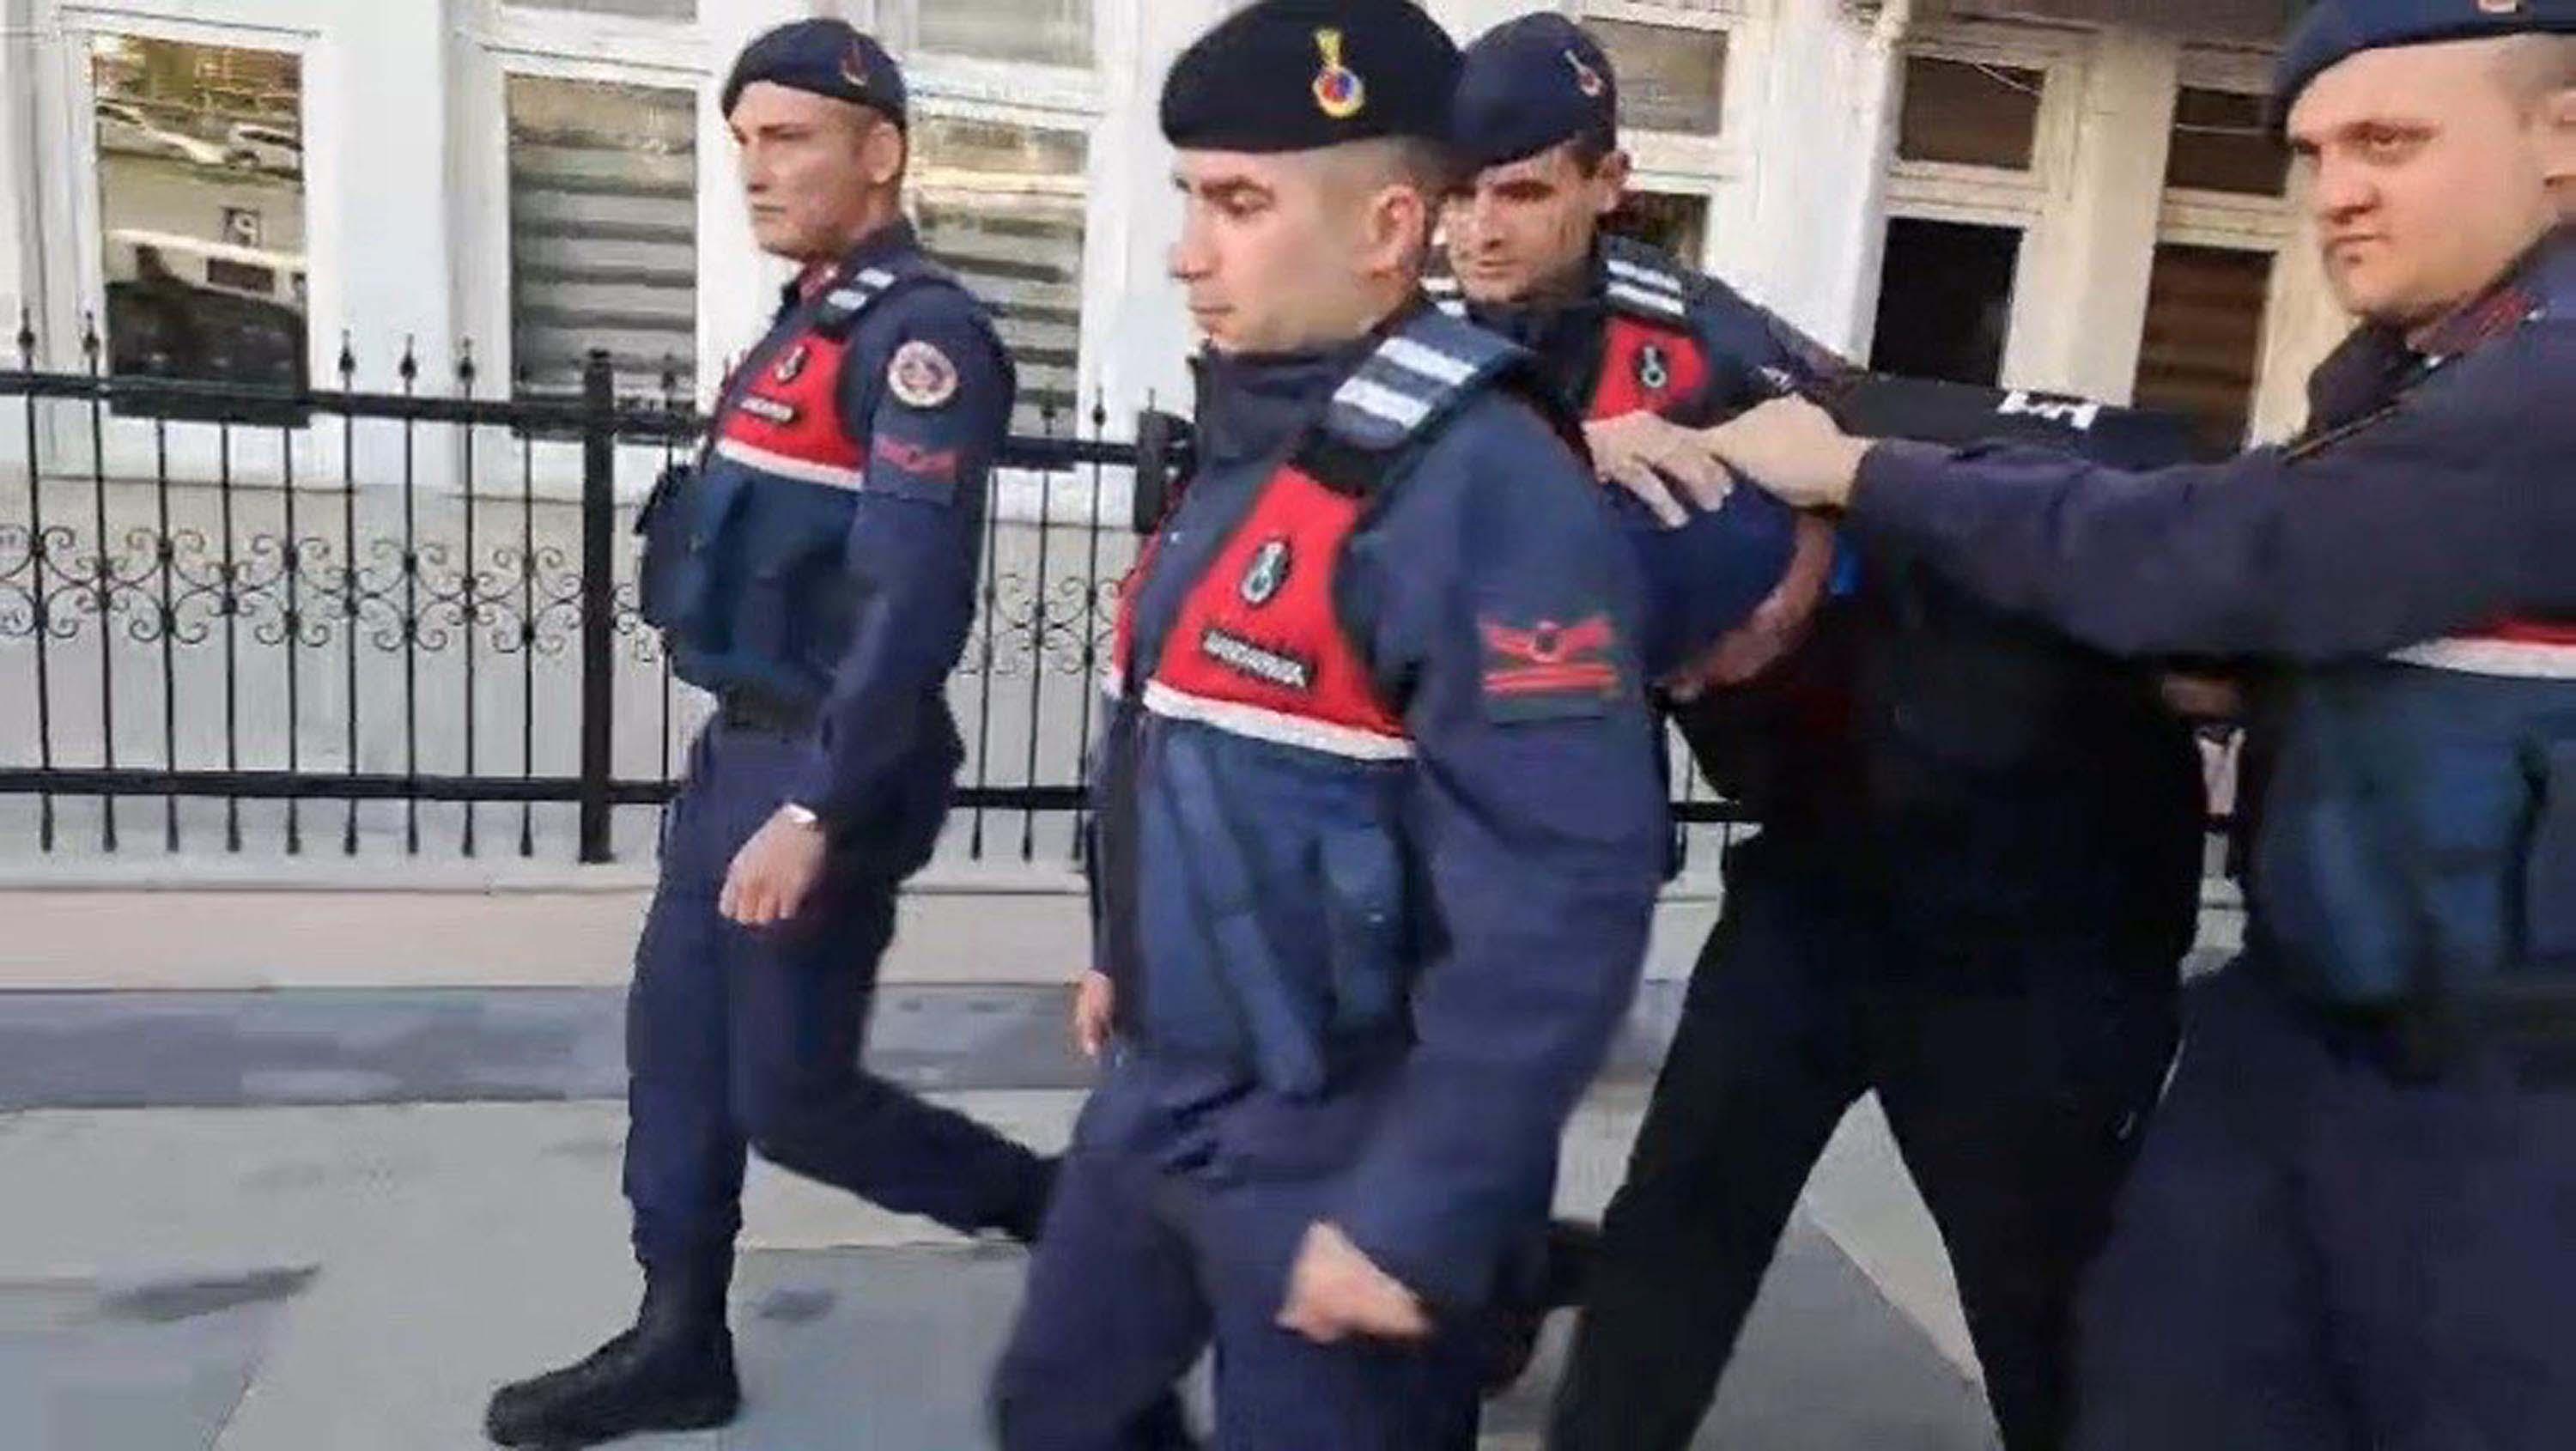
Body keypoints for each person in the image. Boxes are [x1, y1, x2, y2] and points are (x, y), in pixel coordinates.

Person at [1690, 5, 2576, 1447]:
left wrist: (1862, 471)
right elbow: (2347, 606)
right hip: (2317, 1030)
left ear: (2564, 135)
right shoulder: (2421, 367)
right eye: (2314, 153)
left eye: (2390, 142)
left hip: (2510, 1105)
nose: (2337, 191)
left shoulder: (2549, 382)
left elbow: (2230, 553)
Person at [1440, 16, 2206, 1449]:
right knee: (1680, 1220)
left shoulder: (1722, 355)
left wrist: (1826, 468)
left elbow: (2111, 500)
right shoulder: (1457, 359)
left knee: (2041, 1292)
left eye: (1521, 189)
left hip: (2034, 923)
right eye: (1458, 191)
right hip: (1812, 872)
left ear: (1608, 183)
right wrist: (1559, 460)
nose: (1480, 228)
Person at [988, 3, 1672, 1446]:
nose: (1188, 252)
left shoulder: (1482, 482)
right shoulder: (1263, 437)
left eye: (1239, 205)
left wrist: (1419, 1209)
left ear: (1387, 229)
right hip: (1166, 1086)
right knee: (1060, 1406)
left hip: (1346, 1138)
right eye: (1190, 198)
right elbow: (1187, 738)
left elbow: (1563, 891)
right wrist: (1129, 948)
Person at [483, 21, 1058, 1448]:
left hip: (824, 761)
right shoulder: (807, 322)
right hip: (741, 749)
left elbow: (911, 605)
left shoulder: (919, 341)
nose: (754, 168)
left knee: (794, 1097)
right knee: (677, 1047)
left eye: (790, 138)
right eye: (742, 140)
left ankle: (1071, 1214)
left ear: (882, 151)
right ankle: (678, 1335)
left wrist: (816, 805)